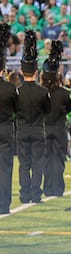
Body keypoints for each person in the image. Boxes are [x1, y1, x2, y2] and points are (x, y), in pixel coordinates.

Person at [16, 31, 50, 204]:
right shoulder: (43, 91)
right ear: (36, 72)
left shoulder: (18, 91)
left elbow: (14, 110)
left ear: (22, 72)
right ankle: (36, 195)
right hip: (38, 131)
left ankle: (24, 195)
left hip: (22, 131)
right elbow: (47, 110)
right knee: (37, 163)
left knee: (24, 164)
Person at [41, 41, 71, 197]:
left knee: (46, 159)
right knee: (59, 160)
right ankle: (58, 188)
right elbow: (70, 108)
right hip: (59, 128)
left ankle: (47, 188)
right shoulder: (65, 93)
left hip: (44, 128)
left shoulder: (40, 92)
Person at [0, 22, 18, 214]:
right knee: (5, 168)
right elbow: (16, 109)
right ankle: (4, 205)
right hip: (6, 128)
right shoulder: (10, 88)